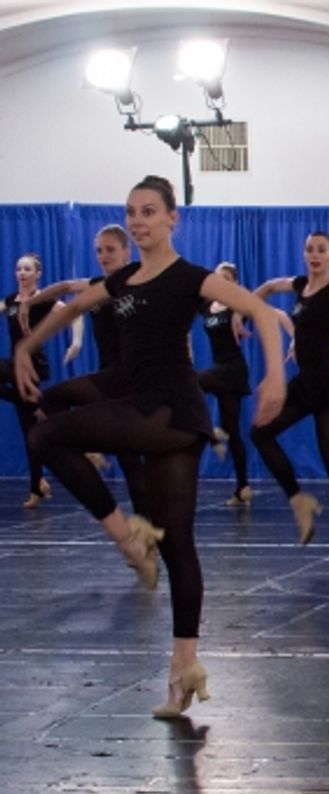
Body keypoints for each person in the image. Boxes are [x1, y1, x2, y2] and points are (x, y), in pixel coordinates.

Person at [12, 174, 286, 718]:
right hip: (159, 415)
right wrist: (28, 347)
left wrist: (275, 375)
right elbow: (70, 307)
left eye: (148, 212)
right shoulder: (125, 281)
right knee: (180, 542)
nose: (138, 221)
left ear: (171, 218)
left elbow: (258, 311)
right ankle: (184, 668)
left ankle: (128, 538)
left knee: (46, 434)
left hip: (169, 410)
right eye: (131, 212)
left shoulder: (189, 277)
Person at [251, 232, 329, 572]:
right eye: (309, 249)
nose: (314, 255)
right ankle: (298, 500)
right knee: (260, 432)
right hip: (305, 384)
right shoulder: (301, 285)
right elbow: (272, 285)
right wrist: (246, 308)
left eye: (322, 250)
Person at [22, 226, 151, 517]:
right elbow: (67, 286)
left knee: (52, 398)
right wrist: (30, 302)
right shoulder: (96, 285)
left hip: (127, 377)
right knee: (129, 460)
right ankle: (148, 532)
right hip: (108, 377)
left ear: (125, 252)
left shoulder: (135, 281)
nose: (103, 256)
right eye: (99, 251)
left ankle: (149, 530)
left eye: (110, 250)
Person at [2, 252, 79, 507]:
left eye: (27, 269)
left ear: (37, 274)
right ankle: (37, 406)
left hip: (33, 368)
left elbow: (74, 313)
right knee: (30, 428)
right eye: (18, 269)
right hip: (15, 365)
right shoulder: (11, 300)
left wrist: (76, 342)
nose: (22, 273)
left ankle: (36, 487)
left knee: (30, 431)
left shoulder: (42, 300)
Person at [197, 262, 255, 507]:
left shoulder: (238, 307)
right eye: (218, 279)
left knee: (192, 382)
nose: (222, 283)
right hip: (220, 368)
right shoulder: (208, 306)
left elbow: (255, 306)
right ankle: (242, 488)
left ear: (235, 283)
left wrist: (239, 309)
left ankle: (211, 434)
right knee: (232, 432)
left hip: (234, 369)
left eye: (227, 279)